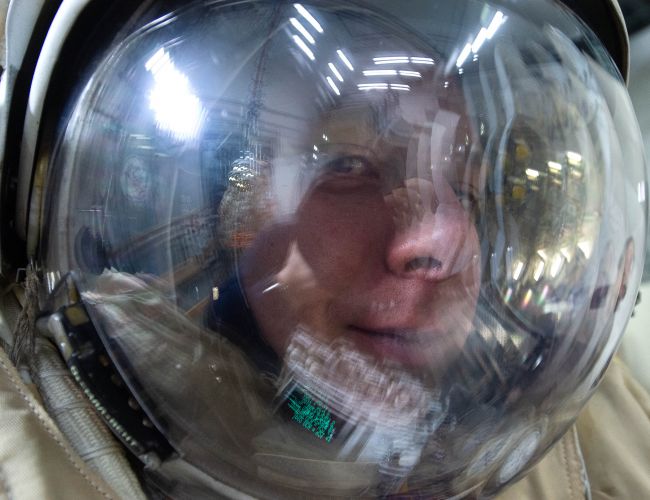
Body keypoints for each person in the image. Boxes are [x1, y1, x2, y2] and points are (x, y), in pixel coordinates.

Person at [0, 0, 648, 498]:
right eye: (349, 164)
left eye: (468, 192)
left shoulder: (597, 428)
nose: (442, 240)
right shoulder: (44, 439)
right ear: (239, 207)